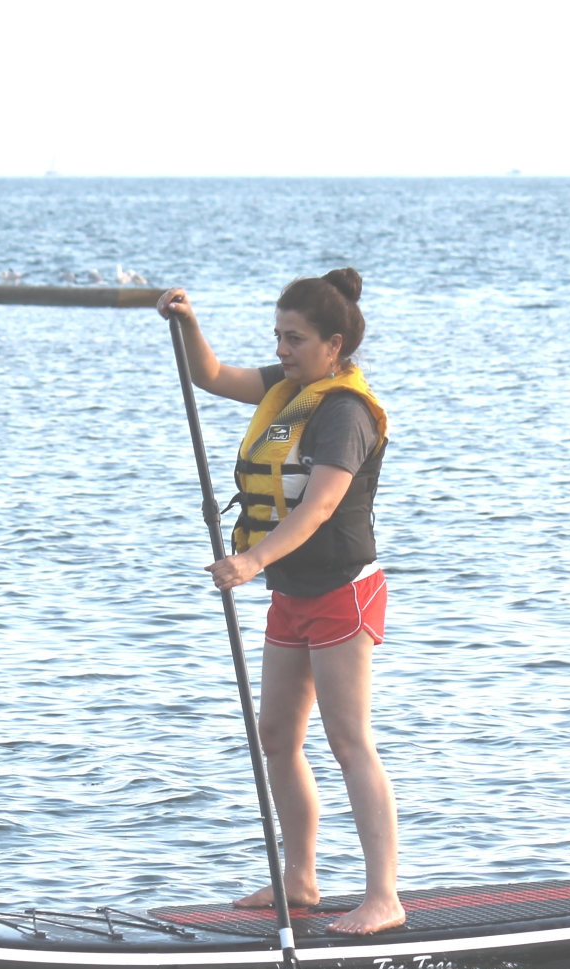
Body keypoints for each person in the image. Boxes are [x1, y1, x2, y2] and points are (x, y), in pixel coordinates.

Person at [157, 269, 403, 935]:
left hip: (342, 592)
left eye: (294, 339)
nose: (282, 350)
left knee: (348, 740)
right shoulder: (288, 387)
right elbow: (210, 376)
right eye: (277, 336)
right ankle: (301, 875)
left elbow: (321, 507)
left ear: (334, 345)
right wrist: (188, 323)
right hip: (291, 593)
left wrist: (250, 559)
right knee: (276, 737)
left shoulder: (345, 413)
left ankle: (384, 895)